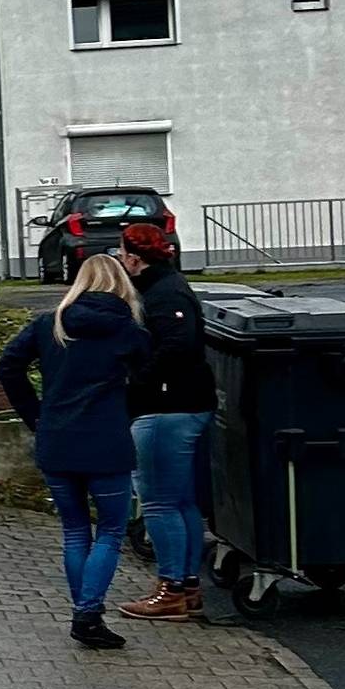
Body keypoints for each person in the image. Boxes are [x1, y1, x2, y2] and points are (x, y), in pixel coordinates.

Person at [0, 254, 151, 650]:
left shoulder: (51, 323)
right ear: (121, 284)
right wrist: (124, 409)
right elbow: (148, 380)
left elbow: (9, 365)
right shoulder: (128, 331)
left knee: (74, 530)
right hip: (107, 443)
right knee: (111, 530)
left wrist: (36, 415)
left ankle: (85, 612)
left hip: (58, 440)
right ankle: (87, 612)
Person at [115, 223, 215, 622]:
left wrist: (137, 380)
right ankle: (187, 585)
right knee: (182, 500)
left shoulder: (162, 294)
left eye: (123, 254)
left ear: (135, 259)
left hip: (164, 409)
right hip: (185, 405)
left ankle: (170, 587)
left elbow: (177, 343)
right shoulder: (169, 286)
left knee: (157, 501)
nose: (120, 261)